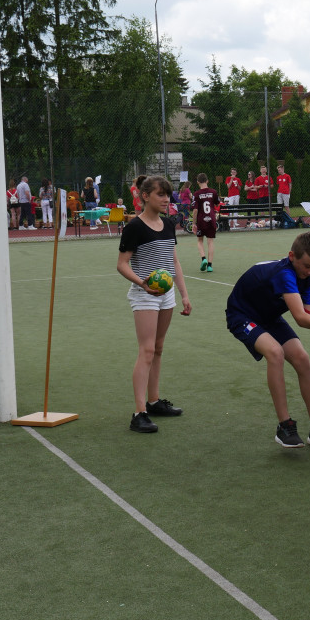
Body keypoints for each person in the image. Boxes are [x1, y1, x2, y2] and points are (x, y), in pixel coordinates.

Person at [225, 231, 310, 449]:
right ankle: (284, 425)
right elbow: (301, 319)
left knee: (302, 358)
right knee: (275, 353)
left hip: (269, 318)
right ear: (292, 256)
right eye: (306, 266)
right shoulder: (283, 273)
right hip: (242, 316)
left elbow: (307, 312)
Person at [117, 174, 192, 434]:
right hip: (144, 294)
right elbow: (121, 264)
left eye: (167, 194)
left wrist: (183, 294)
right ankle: (139, 413)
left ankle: (154, 401)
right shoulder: (134, 227)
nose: (166, 199)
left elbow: (174, 262)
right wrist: (142, 283)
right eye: (160, 194)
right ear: (145, 196)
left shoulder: (169, 224)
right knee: (147, 351)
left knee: (158, 348)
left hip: (167, 295)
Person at [194, 173, 219, 272]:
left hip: (201, 220)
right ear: (207, 181)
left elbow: (195, 210)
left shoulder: (196, 194)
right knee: (210, 241)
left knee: (200, 241)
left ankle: (203, 258)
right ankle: (209, 265)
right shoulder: (213, 192)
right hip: (211, 219)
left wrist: (194, 223)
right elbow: (217, 203)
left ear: (198, 182)